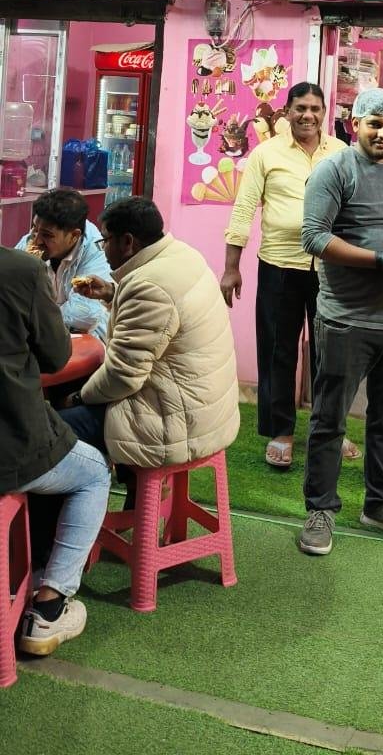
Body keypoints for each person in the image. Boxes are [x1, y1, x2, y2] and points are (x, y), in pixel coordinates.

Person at [298, 88, 383, 556]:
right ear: (354, 124)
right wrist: (379, 261)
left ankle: (380, 503)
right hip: (347, 320)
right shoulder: (334, 170)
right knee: (329, 420)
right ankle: (320, 509)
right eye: (375, 124)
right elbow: (314, 238)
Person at [220, 81, 359, 470]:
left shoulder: (343, 153)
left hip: (332, 267)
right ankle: (280, 431)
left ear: (324, 112)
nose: (308, 115)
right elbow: (244, 207)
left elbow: (355, 208)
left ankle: (330, 428)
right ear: (287, 111)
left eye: (315, 108)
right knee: (277, 350)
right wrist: (231, 267)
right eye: (301, 108)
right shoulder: (266, 153)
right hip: (279, 265)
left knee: (331, 352)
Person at [61, 196, 239, 483]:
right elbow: (162, 319)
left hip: (172, 423)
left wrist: (78, 397)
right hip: (206, 410)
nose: (103, 249)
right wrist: (112, 293)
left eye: (105, 241)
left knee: (50, 431)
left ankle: (79, 505)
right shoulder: (182, 255)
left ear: (127, 241)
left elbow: (122, 377)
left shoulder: (148, 286)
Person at [0, 245, 110, 656]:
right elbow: (56, 355)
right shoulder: (22, 269)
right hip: (12, 444)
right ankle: (48, 606)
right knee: (94, 471)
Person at [16, 188, 112, 343]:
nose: (37, 240)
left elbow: (83, 314)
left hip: (86, 337)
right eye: (34, 228)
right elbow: (9, 285)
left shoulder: (96, 251)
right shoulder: (32, 241)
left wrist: (30, 317)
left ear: (74, 235)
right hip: (38, 330)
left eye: (47, 235)